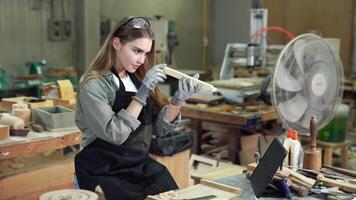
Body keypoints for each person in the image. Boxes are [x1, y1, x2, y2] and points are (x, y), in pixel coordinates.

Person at [74, 16, 201, 200]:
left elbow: (159, 129)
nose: (142, 59)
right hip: (103, 169)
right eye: (136, 51)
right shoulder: (94, 85)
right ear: (116, 43)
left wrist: (176, 102)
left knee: (174, 195)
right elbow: (115, 134)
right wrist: (141, 94)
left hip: (138, 166)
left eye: (146, 53)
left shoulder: (138, 79)